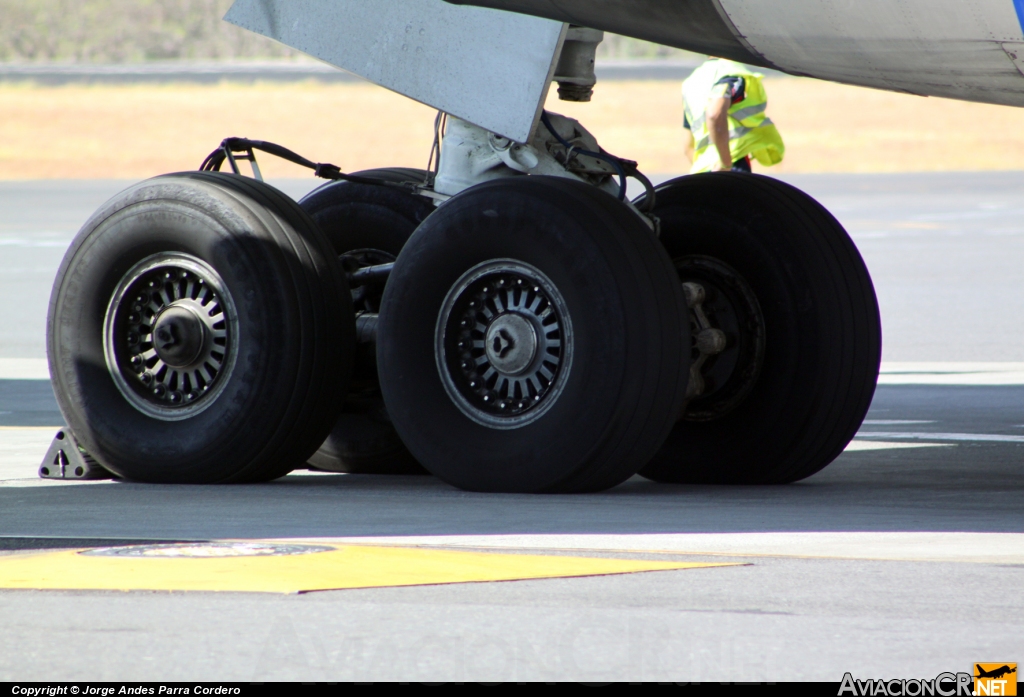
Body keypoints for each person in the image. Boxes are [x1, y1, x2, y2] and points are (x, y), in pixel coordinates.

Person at [681, 57, 785, 174]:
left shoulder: (692, 82)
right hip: (730, 165)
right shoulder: (729, 71)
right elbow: (715, 114)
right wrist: (725, 162)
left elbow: (688, 147)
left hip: (703, 171)